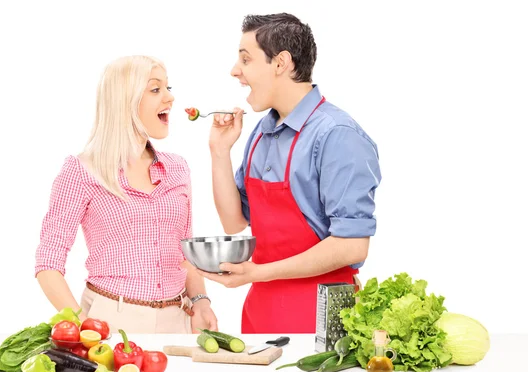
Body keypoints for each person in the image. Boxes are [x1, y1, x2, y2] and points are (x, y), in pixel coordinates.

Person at [199, 13, 382, 334]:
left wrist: (258, 272)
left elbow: (352, 246)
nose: (235, 70)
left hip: (323, 314)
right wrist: (219, 151)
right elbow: (234, 221)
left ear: (281, 63)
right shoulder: (262, 132)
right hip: (261, 311)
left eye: (246, 59)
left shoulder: (337, 134)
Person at [34, 55, 218, 334]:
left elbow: (186, 250)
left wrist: (201, 302)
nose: (170, 98)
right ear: (125, 101)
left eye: (169, 88)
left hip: (178, 319)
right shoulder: (82, 170)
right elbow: (48, 262)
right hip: (109, 320)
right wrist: (80, 325)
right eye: (156, 89)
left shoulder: (178, 169)